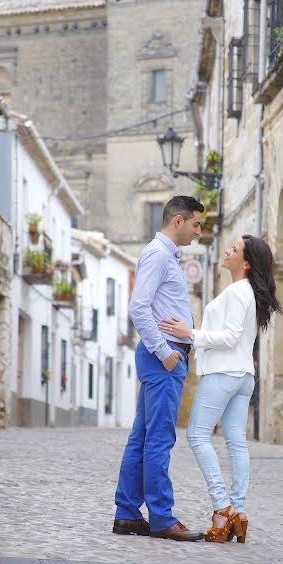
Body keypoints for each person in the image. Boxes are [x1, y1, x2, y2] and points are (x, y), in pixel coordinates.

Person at [159, 235, 283, 543]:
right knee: (236, 443)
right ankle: (238, 513)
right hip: (242, 375)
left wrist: (189, 333)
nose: (227, 250)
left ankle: (222, 508)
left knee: (197, 435)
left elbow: (228, 337)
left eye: (234, 249)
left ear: (245, 263)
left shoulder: (239, 292)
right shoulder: (247, 292)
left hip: (223, 373)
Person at [113, 196, 205, 542]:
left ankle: (127, 513)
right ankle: (162, 517)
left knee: (142, 436)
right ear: (178, 221)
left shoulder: (164, 256)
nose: (199, 231)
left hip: (160, 359)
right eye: (196, 224)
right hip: (162, 359)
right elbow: (139, 306)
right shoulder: (157, 255)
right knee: (159, 438)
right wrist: (166, 352)